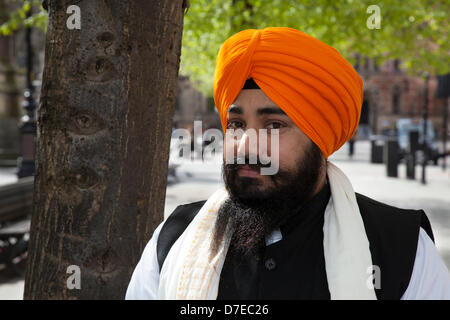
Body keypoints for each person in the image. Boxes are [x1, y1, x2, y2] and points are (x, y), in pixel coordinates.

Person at [125, 27, 450, 300]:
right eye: (236, 124)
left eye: (274, 126)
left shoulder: (402, 250)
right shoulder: (173, 241)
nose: (246, 146)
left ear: (320, 139)